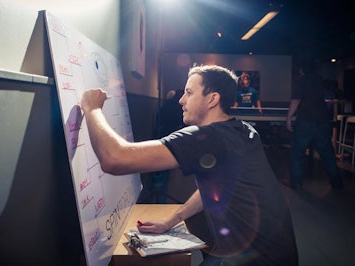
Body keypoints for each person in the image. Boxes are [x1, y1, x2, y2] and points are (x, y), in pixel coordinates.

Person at [80, 65, 298, 265]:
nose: (181, 100)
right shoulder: (242, 130)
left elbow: (115, 159)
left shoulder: (207, 137)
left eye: (189, 93)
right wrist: (172, 220)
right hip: (274, 254)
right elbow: (217, 187)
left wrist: (92, 108)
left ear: (212, 99)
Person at [286, 59, 343, 190]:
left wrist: (289, 118)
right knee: (327, 153)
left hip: (306, 120)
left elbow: (296, 101)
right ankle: (337, 183)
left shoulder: (302, 80)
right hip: (322, 120)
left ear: (302, 69)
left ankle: (296, 182)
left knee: (297, 152)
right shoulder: (319, 79)